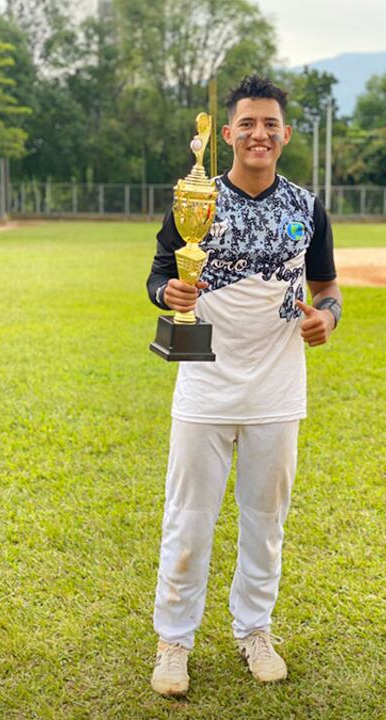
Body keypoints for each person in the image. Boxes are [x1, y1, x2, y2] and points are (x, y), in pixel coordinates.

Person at [145, 74, 343, 697]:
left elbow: (328, 289)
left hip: (277, 392)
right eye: (248, 124)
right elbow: (157, 277)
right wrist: (168, 292)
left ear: (284, 135)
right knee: (189, 518)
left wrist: (326, 318)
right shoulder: (194, 197)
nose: (260, 134)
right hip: (204, 387)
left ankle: (255, 630)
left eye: (271, 124)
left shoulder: (308, 208)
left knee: (266, 519)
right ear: (228, 134)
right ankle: (174, 641)